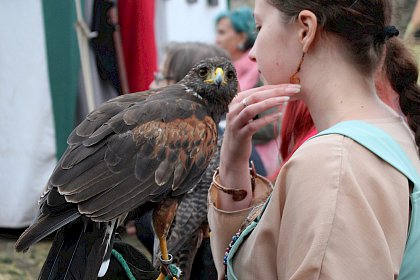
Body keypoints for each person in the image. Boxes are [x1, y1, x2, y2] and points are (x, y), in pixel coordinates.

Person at [208, 0, 420, 279]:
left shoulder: (334, 162)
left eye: (260, 27)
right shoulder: (387, 128)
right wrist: (233, 163)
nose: (253, 52)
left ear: (305, 30)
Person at [216, 7, 282, 178]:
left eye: (222, 32)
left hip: (257, 158)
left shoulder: (260, 71)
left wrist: (233, 128)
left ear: (241, 37)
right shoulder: (224, 69)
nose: (216, 40)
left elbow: (273, 123)